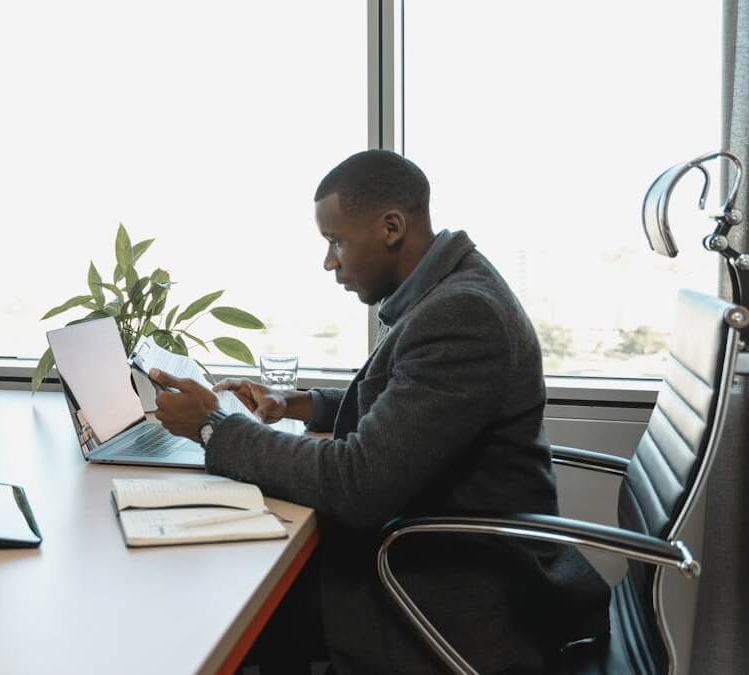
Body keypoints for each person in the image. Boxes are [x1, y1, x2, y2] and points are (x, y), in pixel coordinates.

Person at [150, 150, 611, 674]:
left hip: (460, 595)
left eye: (336, 241)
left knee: (225, 604)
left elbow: (358, 484)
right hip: (439, 558)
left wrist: (215, 427)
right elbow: (408, 405)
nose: (330, 261)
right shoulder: (445, 291)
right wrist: (303, 405)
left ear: (392, 226)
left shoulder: (463, 314)